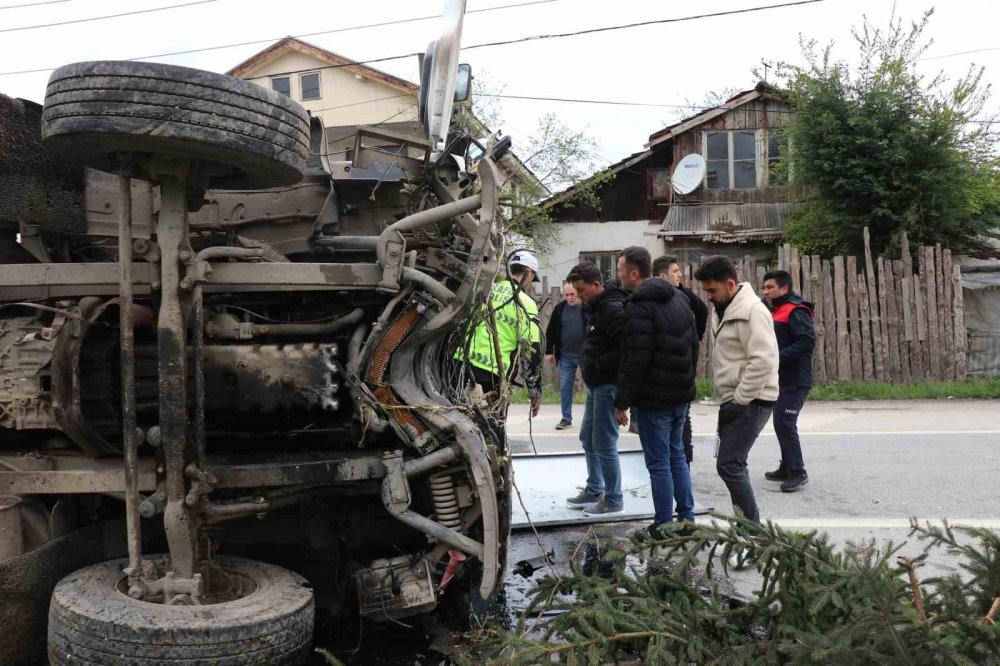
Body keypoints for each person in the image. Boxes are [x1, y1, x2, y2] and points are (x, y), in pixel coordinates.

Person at [614, 247, 698, 532]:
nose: (618, 275)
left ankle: (663, 524)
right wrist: (687, 382)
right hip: (680, 394)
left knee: (659, 463)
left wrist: (622, 400)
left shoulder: (639, 306)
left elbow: (635, 358)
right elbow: (693, 346)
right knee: (677, 456)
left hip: (654, 399)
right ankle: (687, 519)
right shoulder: (678, 298)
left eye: (620, 270)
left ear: (634, 273)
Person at [694, 256, 778, 523]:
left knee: (729, 465)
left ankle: (751, 536)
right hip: (734, 401)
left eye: (712, 290)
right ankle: (750, 534)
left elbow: (763, 360)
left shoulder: (753, 311)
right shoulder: (724, 308)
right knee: (733, 464)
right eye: (706, 290)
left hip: (751, 400)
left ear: (730, 284)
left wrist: (740, 399)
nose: (708, 296)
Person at [564, 261, 627, 516]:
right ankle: (594, 489)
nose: (578, 296)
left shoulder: (612, 310)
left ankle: (614, 499)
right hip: (596, 385)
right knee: (588, 438)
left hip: (607, 385)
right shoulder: (596, 308)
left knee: (604, 443)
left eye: (581, 290)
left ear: (597, 285)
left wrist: (622, 398)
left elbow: (627, 351)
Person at [459, 250, 542, 417]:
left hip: (460, 363)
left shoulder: (486, 291)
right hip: (492, 371)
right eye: (533, 279)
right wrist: (535, 390)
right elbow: (532, 350)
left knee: (459, 416)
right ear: (529, 272)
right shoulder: (526, 303)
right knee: (490, 423)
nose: (531, 283)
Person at [761, 269, 815, 492]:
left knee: (785, 423)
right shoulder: (776, 310)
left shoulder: (795, 310)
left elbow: (807, 341)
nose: (765, 292)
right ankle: (786, 466)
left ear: (784, 288)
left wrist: (776, 359)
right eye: (764, 287)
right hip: (782, 378)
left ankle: (797, 471)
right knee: (781, 423)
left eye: (770, 287)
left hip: (795, 379)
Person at [652, 255, 708, 464]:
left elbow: (701, 310)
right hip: (662, 366)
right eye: (675, 271)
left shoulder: (683, 294)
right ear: (662, 275)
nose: (680, 275)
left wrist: (696, 337)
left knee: (681, 415)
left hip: (680, 364)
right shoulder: (652, 296)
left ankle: (684, 455)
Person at [545, 282, 588, 430]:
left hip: (586, 355)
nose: (569, 297)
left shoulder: (587, 308)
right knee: (564, 387)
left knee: (592, 387)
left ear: (579, 293)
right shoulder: (560, 309)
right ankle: (566, 418)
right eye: (566, 294)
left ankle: (592, 418)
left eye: (572, 294)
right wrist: (549, 351)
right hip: (566, 354)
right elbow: (550, 331)